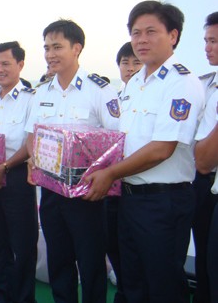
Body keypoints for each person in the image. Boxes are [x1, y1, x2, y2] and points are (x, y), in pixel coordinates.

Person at [84, 0, 205, 303]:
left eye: (151, 31)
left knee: (162, 284)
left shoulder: (182, 83)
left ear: (173, 35)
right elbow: (124, 140)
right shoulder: (135, 83)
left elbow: (161, 150)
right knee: (133, 279)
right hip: (129, 197)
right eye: (136, 33)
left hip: (164, 202)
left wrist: (109, 172)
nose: (141, 40)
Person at [25, 20, 120, 303]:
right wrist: (32, 159)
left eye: (57, 47)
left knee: (91, 262)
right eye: (46, 48)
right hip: (51, 193)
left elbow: (116, 140)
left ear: (76, 48)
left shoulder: (99, 90)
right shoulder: (41, 93)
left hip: (87, 194)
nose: (50, 54)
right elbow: (33, 135)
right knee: (59, 258)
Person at [0, 41, 38, 303]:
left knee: (23, 244)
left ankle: (25, 297)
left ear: (20, 65)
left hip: (16, 178)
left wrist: (4, 167)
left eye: (5, 63)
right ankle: (3, 294)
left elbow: (30, 143)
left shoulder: (31, 100)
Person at [104, 42, 143, 303]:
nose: (129, 69)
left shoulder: (147, 97)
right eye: (124, 63)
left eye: (135, 62)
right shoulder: (115, 99)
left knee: (140, 254)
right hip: (111, 188)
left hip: (136, 186)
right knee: (114, 245)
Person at [193, 11, 218, 303]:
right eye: (206, 40)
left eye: (214, 41)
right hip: (204, 183)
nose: (207, 48)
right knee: (206, 266)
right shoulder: (205, 86)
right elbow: (201, 159)